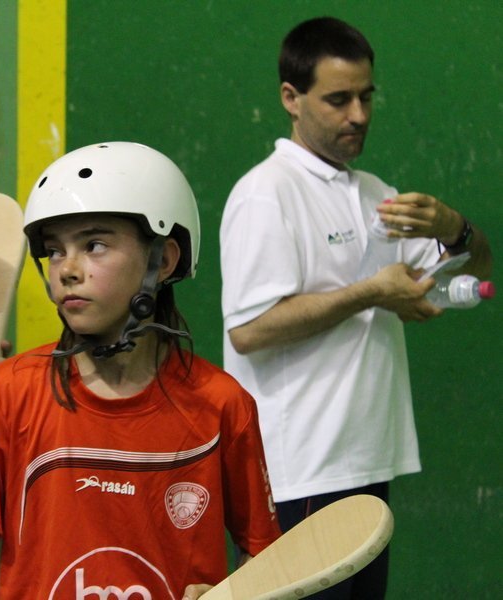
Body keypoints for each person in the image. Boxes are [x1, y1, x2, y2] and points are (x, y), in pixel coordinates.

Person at [0, 142, 281, 600]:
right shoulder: (8, 391)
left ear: (165, 259)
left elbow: (266, 559)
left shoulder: (223, 404)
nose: (67, 270)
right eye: (55, 251)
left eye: (94, 245)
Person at [219, 17, 493, 599]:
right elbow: (248, 330)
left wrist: (456, 228)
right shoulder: (266, 193)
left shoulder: (376, 193)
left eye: (367, 97)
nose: (359, 115)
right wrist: (372, 293)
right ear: (290, 99)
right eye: (339, 100)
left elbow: (474, 269)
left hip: (367, 463)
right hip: (299, 472)